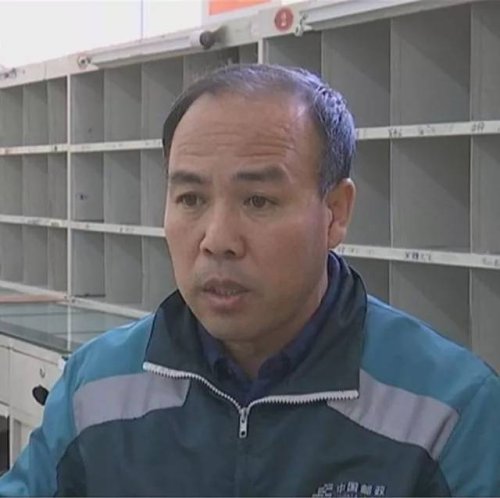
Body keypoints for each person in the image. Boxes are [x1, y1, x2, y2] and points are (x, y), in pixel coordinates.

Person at [0, 64, 499, 497]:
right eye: (191, 199)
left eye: (258, 201)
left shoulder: (449, 409)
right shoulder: (96, 385)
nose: (217, 240)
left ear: (335, 212)